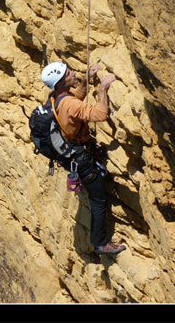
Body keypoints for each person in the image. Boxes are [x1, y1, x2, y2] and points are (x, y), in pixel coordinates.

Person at [41, 61, 126, 255]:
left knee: (96, 196)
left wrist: (87, 79)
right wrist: (103, 89)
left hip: (72, 154)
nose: (72, 72)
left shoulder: (56, 97)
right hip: (82, 159)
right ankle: (100, 243)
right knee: (98, 200)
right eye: (68, 73)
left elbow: (75, 98)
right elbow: (99, 114)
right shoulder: (69, 104)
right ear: (61, 82)